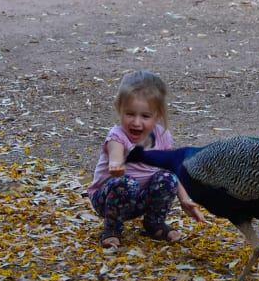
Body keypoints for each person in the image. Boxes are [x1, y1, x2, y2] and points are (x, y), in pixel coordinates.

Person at [87, 70, 205, 248]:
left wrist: (185, 199)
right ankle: (112, 229)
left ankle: (154, 224)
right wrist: (115, 164)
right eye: (130, 114)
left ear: (157, 115)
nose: (136, 122)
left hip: (140, 199)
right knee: (125, 183)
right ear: (119, 109)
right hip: (108, 199)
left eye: (145, 116)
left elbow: (172, 169)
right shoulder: (117, 135)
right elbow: (115, 155)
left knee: (168, 178)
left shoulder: (162, 136)